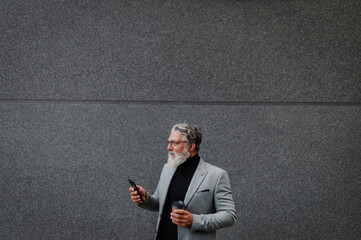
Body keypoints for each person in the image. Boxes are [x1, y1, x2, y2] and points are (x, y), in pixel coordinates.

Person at [129, 123, 237, 240]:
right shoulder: (167, 168)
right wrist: (145, 198)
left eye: (174, 143)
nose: (168, 147)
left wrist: (194, 221)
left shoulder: (216, 175)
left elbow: (229, 215)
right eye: (168, 142)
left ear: (191, 146)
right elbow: (159, 203)